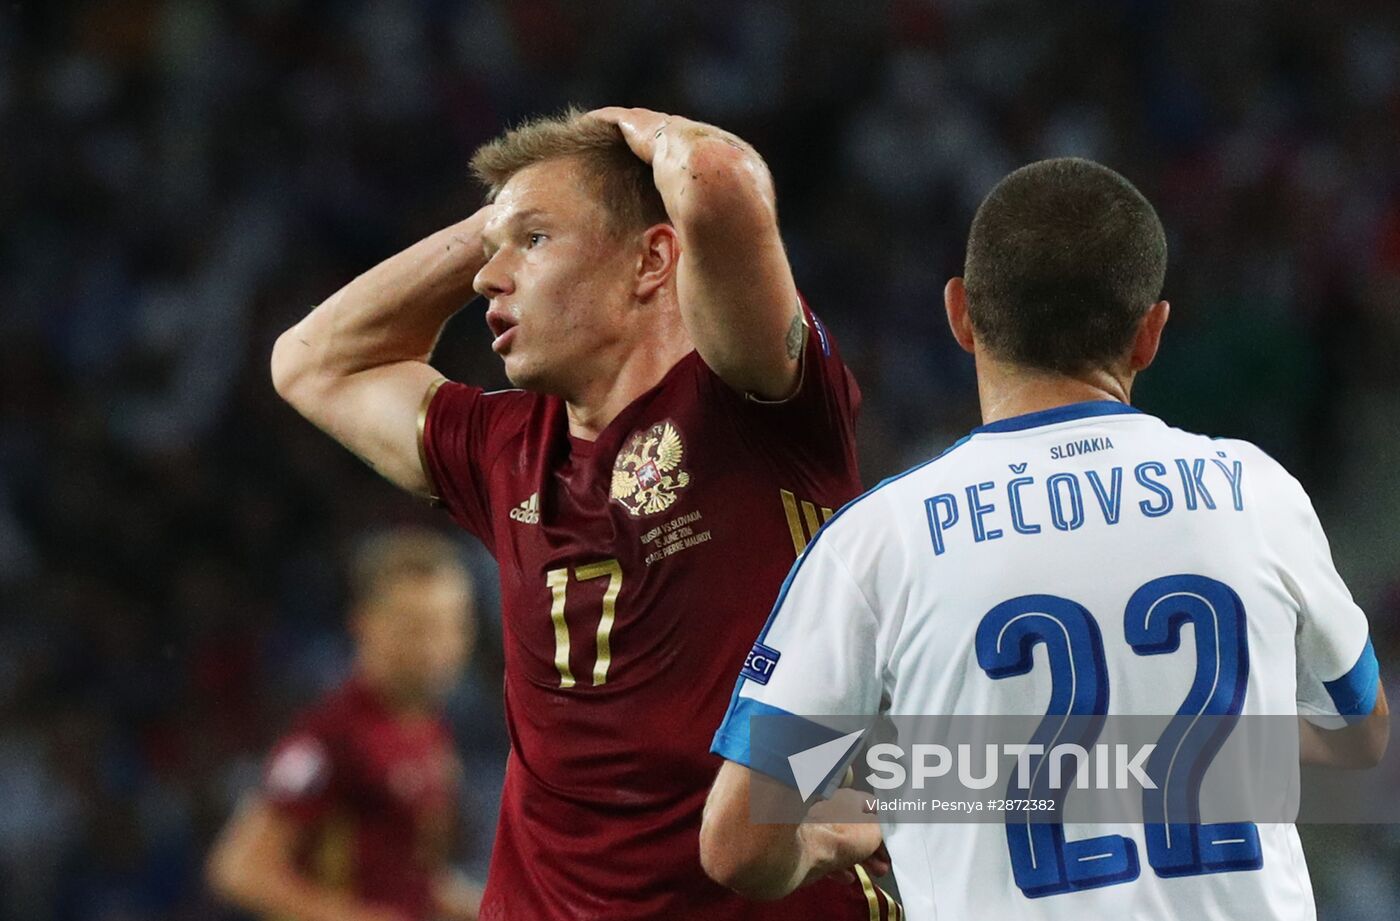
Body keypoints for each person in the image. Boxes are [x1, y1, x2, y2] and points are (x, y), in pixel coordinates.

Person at [702, 158, 1390, 919]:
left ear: (960, 314)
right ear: (1150, 333)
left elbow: (739, 841)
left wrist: (847, 829)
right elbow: (1360, 736)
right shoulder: (1256, 491)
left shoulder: (878, 545)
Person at [269, 106, 894, 919]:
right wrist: (493, 227)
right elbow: (311, 362)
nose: (490, 279)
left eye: (534, 243)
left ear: (652, 261)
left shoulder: (755, 403)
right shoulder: (502, 449)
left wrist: (644, 129)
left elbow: (718, 180)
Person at [207, 527, 481, 921]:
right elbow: (240, 869)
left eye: (449, 625)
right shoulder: (330, 735)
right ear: (364, 623)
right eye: (413, 626)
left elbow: (406, 877)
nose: (434, 646)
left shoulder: (431, 729)